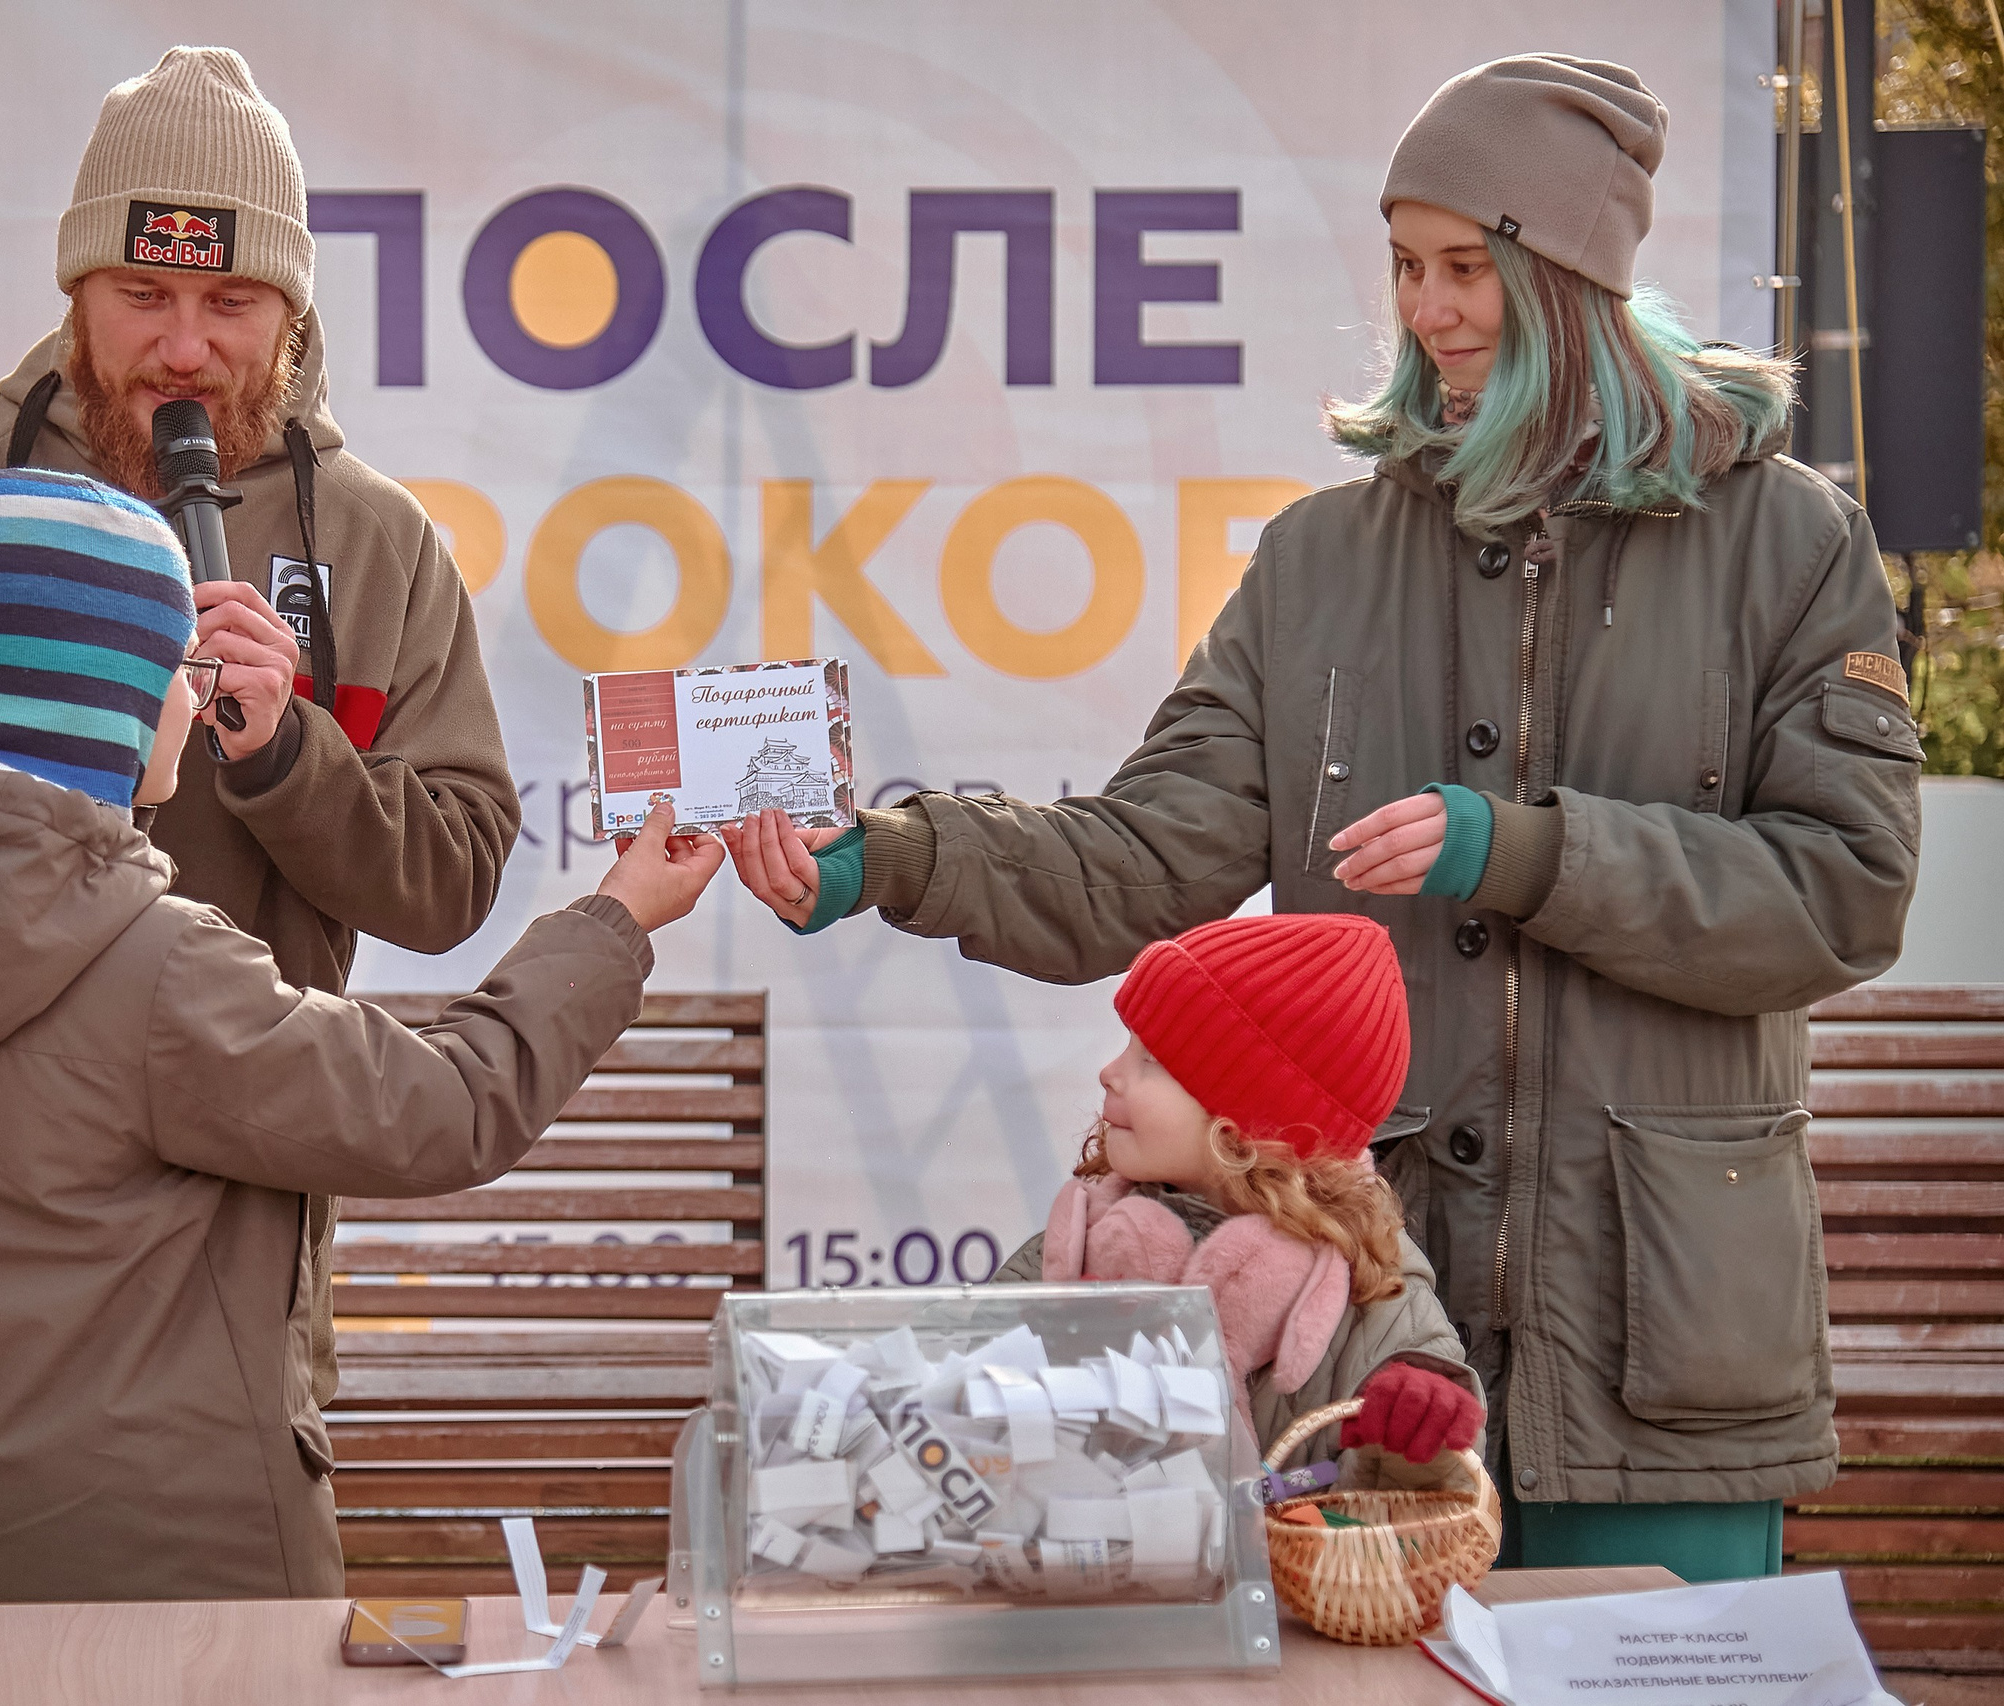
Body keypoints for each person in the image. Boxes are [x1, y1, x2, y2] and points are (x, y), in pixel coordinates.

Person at [726, 54, 1921, 1581]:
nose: (1429, 310)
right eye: (1409, 266)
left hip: (1666, 1350)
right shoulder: (1314, 564)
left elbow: (1846, 892)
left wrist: (1531, 848)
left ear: (1572, 277)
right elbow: (1150, 851)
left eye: (1468, 267)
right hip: (1362, 1362)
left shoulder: (1793, 543)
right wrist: (892, 857)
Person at [0, 47, 519, 1678]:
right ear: (78, 283)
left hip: (215, 1256)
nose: (185, 345)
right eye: (141, 293)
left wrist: (286, 758)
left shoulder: (374, 545)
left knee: (217, 1657)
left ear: (293, 311)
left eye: (232, 308)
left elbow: (450, 871)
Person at [0, 468, 720, 1605]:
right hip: (181, 1577)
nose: (197, 699)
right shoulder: (152, 967)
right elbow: (447, 1107)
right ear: (114, 701)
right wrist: (617, 917)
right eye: (179, 672)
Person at [1001, 914, 1483, 1485]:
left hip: (1301, 1576)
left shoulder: (1375, 1293)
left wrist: (1414, 1438)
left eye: (1151, 1060)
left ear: (1245, 1129)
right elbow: (956, 1404)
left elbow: (1435, 1506)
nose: (1110, 1072)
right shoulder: (1075, 1246)